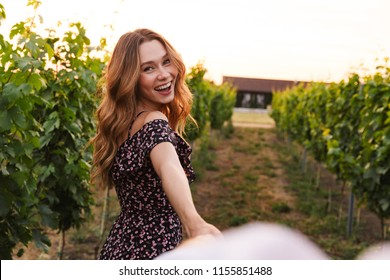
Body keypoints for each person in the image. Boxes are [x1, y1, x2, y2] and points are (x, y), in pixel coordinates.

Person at [90, 28, 221, 260]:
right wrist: (194, 223)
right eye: (148, 68)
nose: (164, 74)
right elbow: (169, 166)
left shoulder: (125, 125)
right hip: (150, 252)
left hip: (120, 246)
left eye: (166, 62)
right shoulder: (154, 122)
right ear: (130, 77)